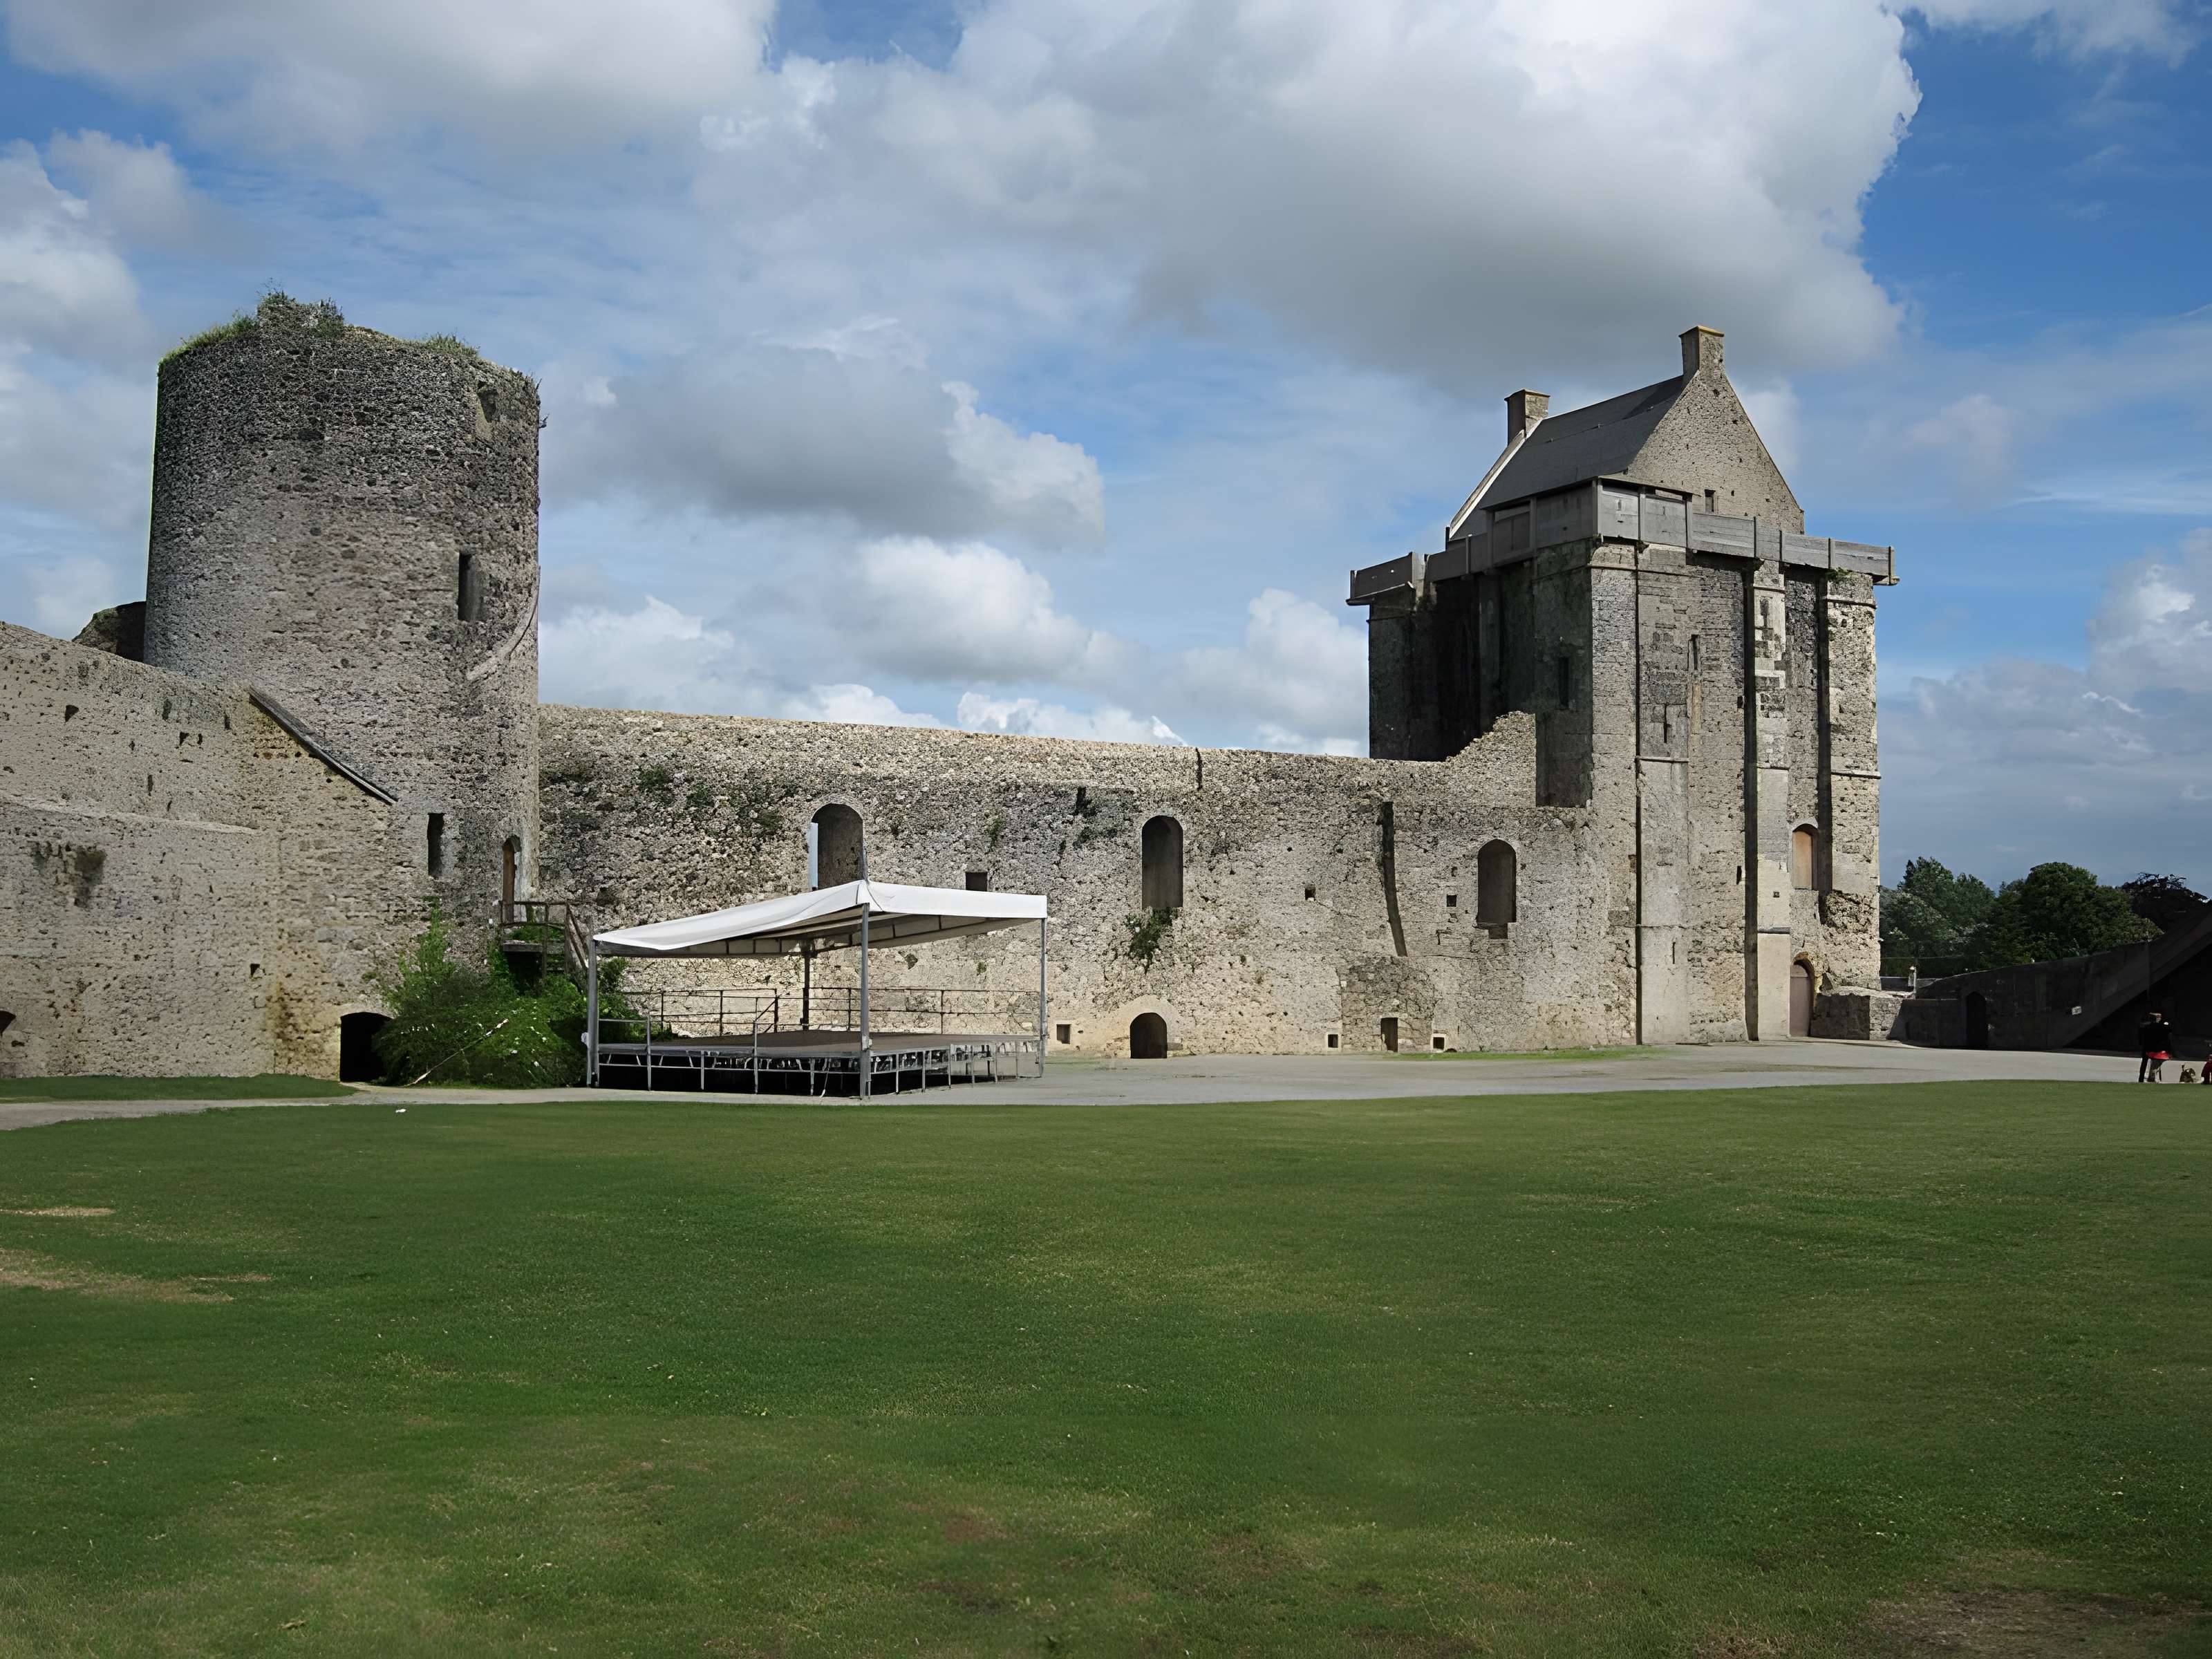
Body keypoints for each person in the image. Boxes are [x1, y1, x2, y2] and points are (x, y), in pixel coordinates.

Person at [2137, 1011, 2172, 1082]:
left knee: (2144, 1063)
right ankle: (2156, 1078)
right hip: (2156, 1048)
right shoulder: (2161, 1026)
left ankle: (2141, 1079)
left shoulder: (2146, 1026)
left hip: (2147, 1047)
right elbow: (2168, 1031)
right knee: (2157, 1063)